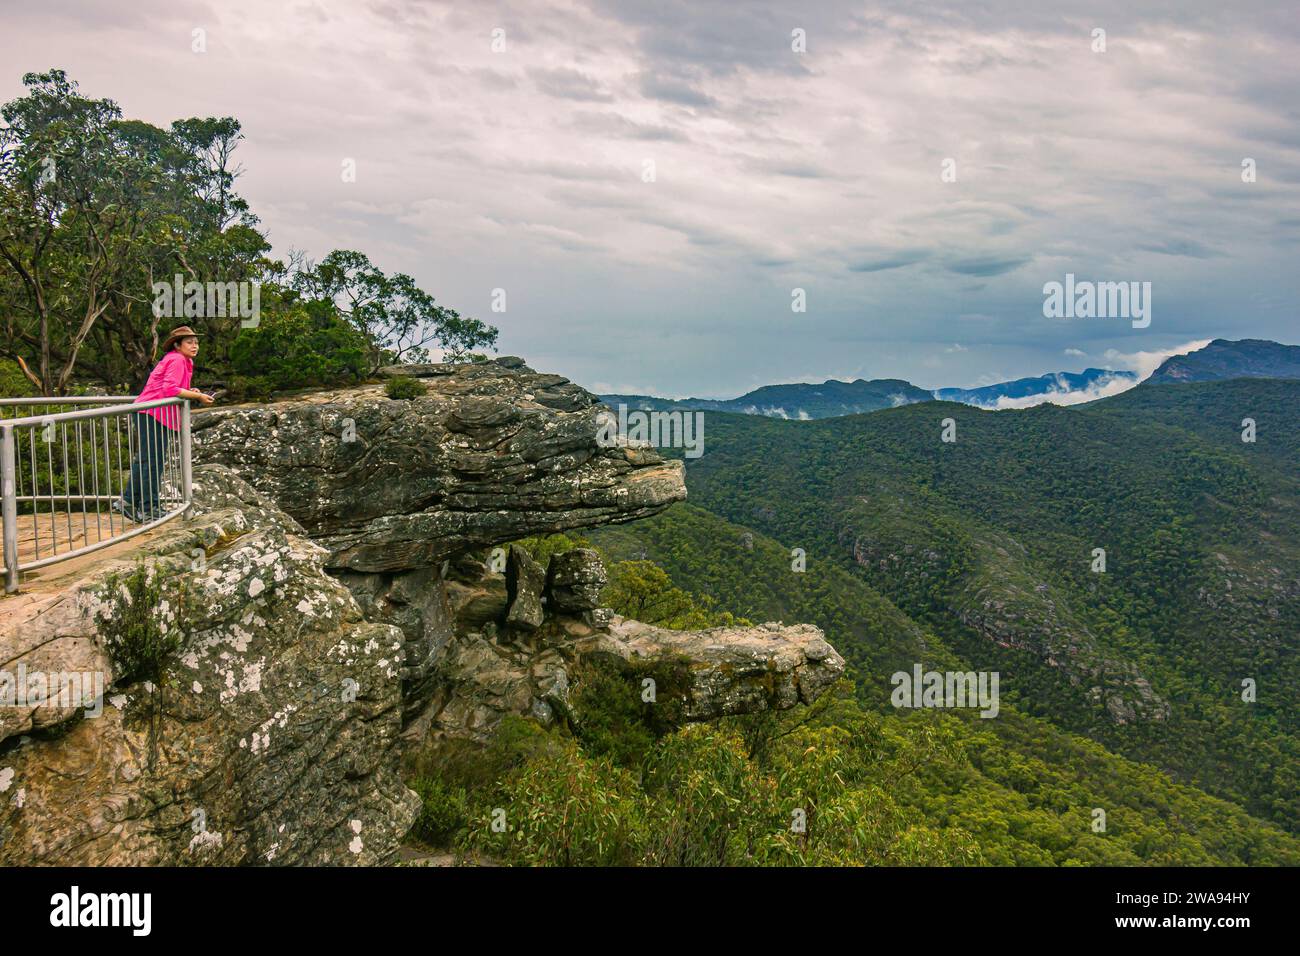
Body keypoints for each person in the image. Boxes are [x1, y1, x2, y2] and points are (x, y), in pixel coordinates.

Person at [114, 326, 215, 523]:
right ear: (177, 345)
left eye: (196, 342)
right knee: (152, 462)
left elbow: (174, 387)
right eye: (189, 342)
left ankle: (127, 502)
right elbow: (170, 389)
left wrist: (191, 390)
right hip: (152, 414)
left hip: (154, 414)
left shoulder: (184, 360)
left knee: (145, 460)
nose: (194, 346)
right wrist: (199, 396)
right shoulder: (177, 359)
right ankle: (149, 507)